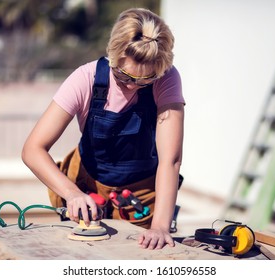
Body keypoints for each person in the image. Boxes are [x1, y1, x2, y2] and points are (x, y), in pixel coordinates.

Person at [22, 7, 184, 250]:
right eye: (124, 76)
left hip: (139, 196)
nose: (133, 86)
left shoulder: (167, 79)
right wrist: (72, 193)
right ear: (112, 54)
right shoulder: (84, 79)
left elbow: (170, 160)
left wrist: (160, 226)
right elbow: (33, 149)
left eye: (145, 80)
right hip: (88, 184)